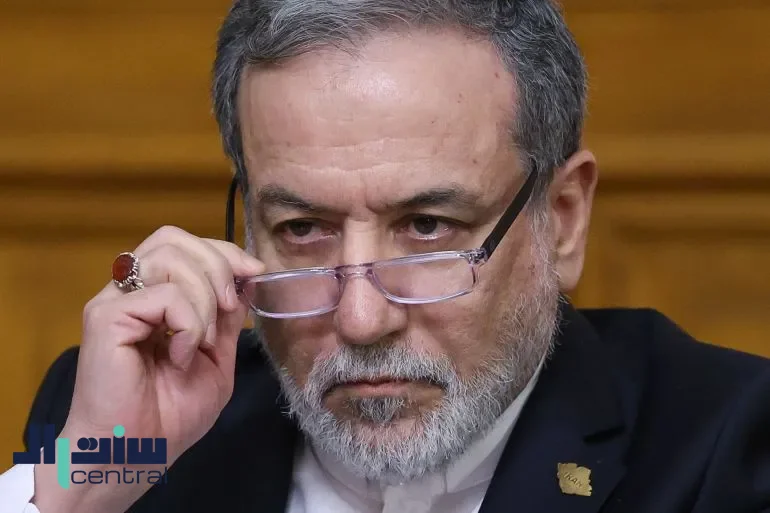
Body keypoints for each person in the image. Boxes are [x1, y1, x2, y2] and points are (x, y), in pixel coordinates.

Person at [2, 0, 769, 512]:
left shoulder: (726, 446)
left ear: (561, 220)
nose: (362, 318)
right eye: (303, 227)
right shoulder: (127, 428)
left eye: (428, 226)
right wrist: (82, 485)